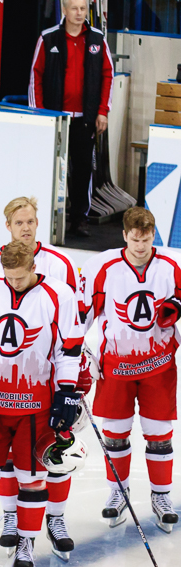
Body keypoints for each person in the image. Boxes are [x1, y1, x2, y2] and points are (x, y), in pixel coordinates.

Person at [0, 242, 82, 567]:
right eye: (8, 277)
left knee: (32, 479)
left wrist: (66, 391)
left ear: (33, 267)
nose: (14, 283)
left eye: (20, 277)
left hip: (36, 406)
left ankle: (26, 542)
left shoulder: (59, 295)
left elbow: (69, 349)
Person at [83, 206, 181, 531]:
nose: (141, 246)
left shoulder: (171, 268)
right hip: (115, 368)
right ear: (124, 235)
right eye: (135, 239)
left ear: (154, 236)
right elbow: (82, 315)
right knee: (115, 433)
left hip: (159, 366)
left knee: (159, 434)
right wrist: (79, 353)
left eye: (147, 239)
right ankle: (118, 493)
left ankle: (161, 497)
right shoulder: (103, 268)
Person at [28, 0, 113, 238]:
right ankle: (45, 218)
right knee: (50, 170)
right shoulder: (48, 38)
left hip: (85, 120)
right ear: (64, 10)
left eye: (83, 9)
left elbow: (108, 75)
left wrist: (103, 111)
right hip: (54, 120)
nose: (79, 13)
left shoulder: (97, 39)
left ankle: (79, 219)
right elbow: (36, 75)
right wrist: (39, 114)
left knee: (83, 171)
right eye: (74, 8)